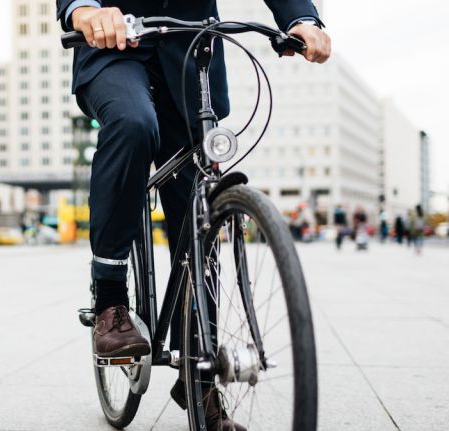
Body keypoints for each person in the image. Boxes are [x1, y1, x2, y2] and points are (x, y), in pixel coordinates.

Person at [56, 0, 331, 425]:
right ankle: (110, 300)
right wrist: (83, 9)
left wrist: (301, 19)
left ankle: (198, 378)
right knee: (132, 125)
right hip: (113, 45)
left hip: (190, 53)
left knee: (199, 208)